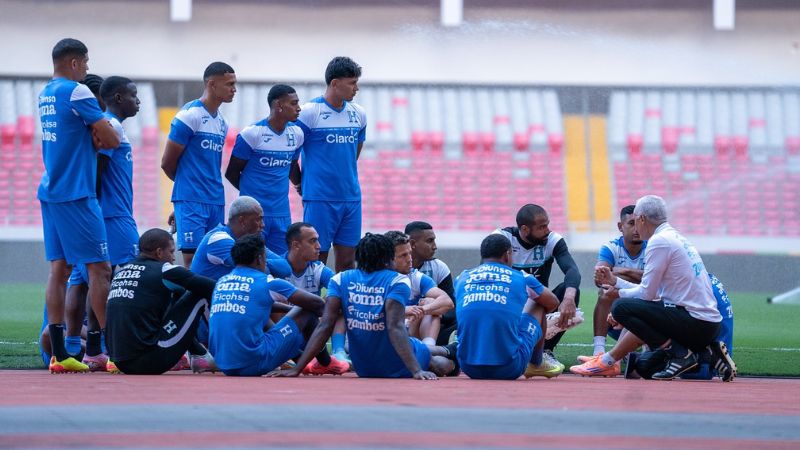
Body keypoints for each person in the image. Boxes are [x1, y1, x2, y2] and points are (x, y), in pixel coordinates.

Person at [570, 195, 736, 382]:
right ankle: (708, 353)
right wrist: (615, 281)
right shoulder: (673, 236)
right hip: (705, 324)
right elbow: (655, 293)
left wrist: (619, 293)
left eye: (635, 221)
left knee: (621, 307)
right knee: (644, 367)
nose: (635, 228)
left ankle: (678, 354)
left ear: (642, 219)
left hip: (695, 322)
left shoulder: (659, 242)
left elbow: (646, 294)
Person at [269, 233, 457, 379]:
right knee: (435, 362)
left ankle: (340, 352)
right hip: (397, 363)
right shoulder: (398, 281)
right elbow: (395, 327)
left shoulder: (340, 279)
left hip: (363, 367)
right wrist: (416, 371)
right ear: (388, 258)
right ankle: (453, 360)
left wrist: (297, 368)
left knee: (420, 348)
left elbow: (325, 325)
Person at [38, 38, 119, 373]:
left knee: (59, 270)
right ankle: (117, 352)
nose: (87, 68)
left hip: (50, 190)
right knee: (100, 269)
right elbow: (112, 138)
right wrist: (96, 133)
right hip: (77, 193)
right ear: (74, 62)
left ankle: (60, 355)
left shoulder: (45, 93)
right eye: (85, 62)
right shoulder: (77, 91)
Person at [209, 234, 333, 376]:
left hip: (223, 364)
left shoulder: (221, 282)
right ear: (259, 259)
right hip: (253, 362)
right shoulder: (267, 282)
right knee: (307, 311)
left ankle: (302, 360)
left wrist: (289, 309)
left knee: (260, 315)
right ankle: (324, 363)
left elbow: (252, 305)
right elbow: (318, 305)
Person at [290, 56, 366, 272]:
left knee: (348, 262)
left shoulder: (359, 114)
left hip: (351, 198)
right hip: (320, 198)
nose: (356, 88)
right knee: (316, 259)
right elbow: (290, 156)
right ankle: (316, 296)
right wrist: (299, 184)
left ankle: (340, 296)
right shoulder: (308, 112)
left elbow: (354, 153)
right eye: (352, 83)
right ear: (334, 83)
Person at [105, 229, 216, 375]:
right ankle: (216, 352)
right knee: (199, 294)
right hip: (150, 360)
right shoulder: (165, 270)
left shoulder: (121, 272)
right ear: (159, 252)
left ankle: (199, 353)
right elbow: (213, 287)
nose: (173, 258)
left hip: (119, 362)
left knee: (178, 293)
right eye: (171, 252)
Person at [189, 196, 290, 350]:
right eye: (259, 219)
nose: (263, 225)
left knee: (271, 291)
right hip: (211, 313)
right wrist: (259, 259)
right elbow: (259, 270)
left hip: (231, 308)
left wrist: (259, 258)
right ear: (242, 220)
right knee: (269, 289)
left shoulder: (249, 242)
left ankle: (278, 349)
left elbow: (285, 268)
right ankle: (276, 349)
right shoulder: (218, 239)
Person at [161, 62, 236, 268]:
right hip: (192, 199)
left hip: (215, 199)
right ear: (212, 84)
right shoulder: (190, 115)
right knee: (192, 261)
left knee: (214, 260)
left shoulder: (222, 122)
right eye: (229, 84)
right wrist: (185, 197)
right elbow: (167, 163)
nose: (234, 89)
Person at [455, 234, 559, 380]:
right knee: (538, 303)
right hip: (510, 367)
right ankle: (537, 363)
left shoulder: (461, 278)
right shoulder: (522, 277)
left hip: (468, 367)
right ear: (507, 255)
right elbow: (552, 302)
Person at [493, 204, 580, 377]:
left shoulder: (552, 240)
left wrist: (569, 298)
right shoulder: (502, 238)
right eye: (541, 227)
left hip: (539, 304)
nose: (547, 230)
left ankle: (545, 351)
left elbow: (572, 270)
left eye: (547, 225)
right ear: (525, 229)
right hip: (508, 303)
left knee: (570, 290)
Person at [225, 84, 304, 254]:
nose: (299, 108)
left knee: (280, 263)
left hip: (282, 214)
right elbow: (231, 173)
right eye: (293, 103)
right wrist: (251, 192)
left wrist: (300, 186)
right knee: (251, 260)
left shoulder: (297, 134)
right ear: (279, 105)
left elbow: (291, 166)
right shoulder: (252, 134)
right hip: (253, 215)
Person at [282, 223, 350, 375]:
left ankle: (338, 352)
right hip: (288, 330)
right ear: (296, 245)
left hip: (313, 331)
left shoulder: (318, 268)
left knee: (340, 303)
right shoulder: (278, 268)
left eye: (318, 240)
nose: (319, 246)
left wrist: (325, 305)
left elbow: (342, 289)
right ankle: (289, 354)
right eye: (312, 241)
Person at [591, 205, 646, 356]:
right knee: (604, 292)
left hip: (645, 311)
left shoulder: (653, 246)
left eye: (639, 223)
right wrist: (639, 277)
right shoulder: (611, 247)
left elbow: (655, 280)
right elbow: (601, 279)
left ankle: (637, 349)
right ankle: (598, 351)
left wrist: (622, 271)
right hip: (615, 320)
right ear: (620, 226)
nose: (636, 229)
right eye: (631, 223)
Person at [385, 231, 453, 346]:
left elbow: (447, 302)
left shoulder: (415, 276)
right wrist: (404, 310)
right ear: (388, 259)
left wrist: (423, 309)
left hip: (410, 332)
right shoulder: (377, 278)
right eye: (403, 255)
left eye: (410, 253)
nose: (409, 259)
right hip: (384, 334)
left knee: (430, 302)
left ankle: (428, 348)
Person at [404, 221, 457, 345]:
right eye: (429, 241)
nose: (435, 246)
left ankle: (428, 347)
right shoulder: (392, 270)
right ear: (412, 244)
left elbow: (451, 307)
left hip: (430, 323)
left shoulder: (439, 267)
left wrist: (428, 311)